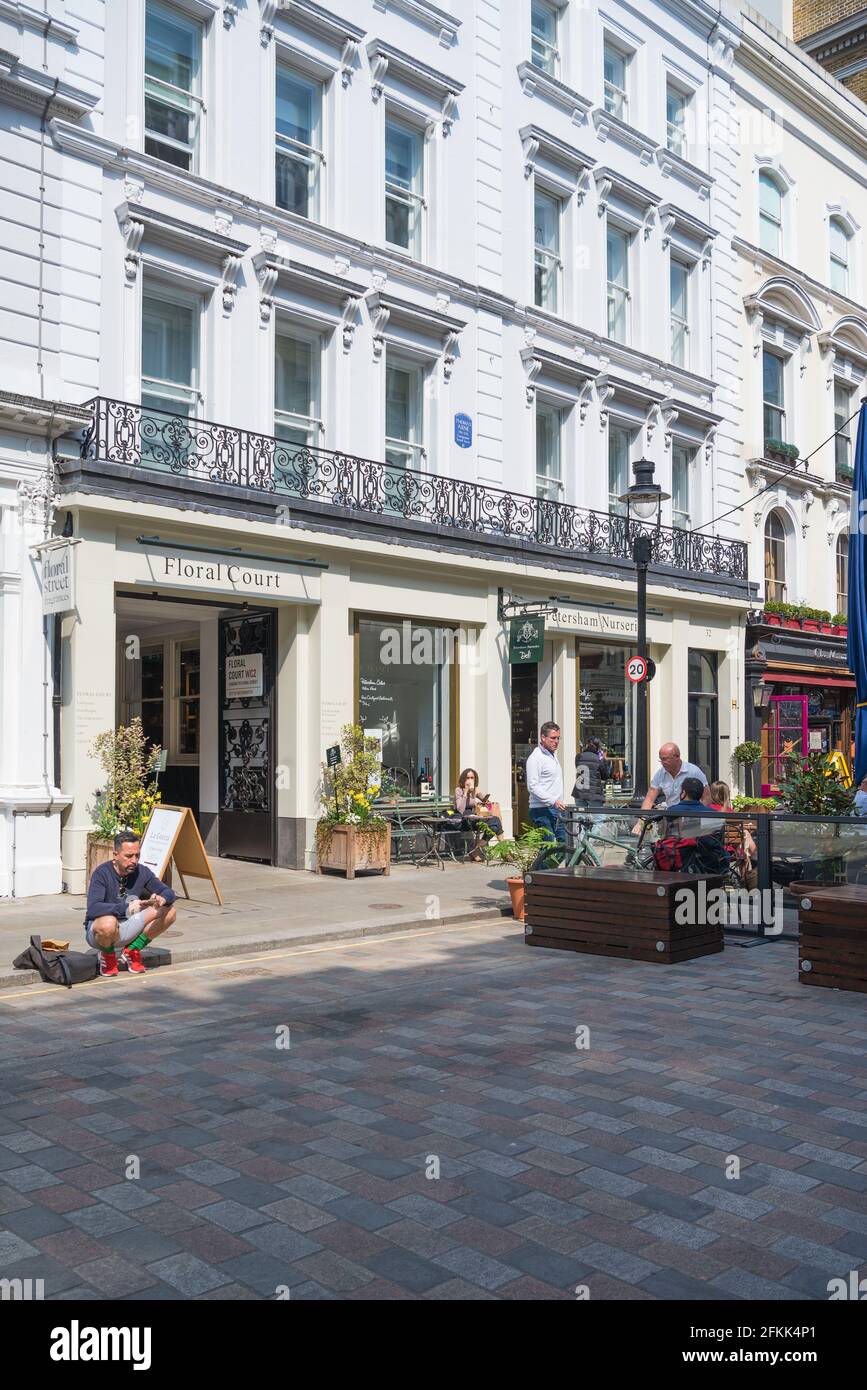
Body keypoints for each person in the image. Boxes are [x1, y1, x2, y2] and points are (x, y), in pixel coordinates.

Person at [85, 829, 177, 977]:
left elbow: (169, 892)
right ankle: (107, 955)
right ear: (115, 855)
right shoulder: (101, 874)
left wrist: (162, 899)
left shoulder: (142, 871)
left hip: (130, 925)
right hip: (101, 933)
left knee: (170, 911)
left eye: (137, 855)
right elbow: (93, 909)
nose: (134, 860)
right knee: (108, 922)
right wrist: (127, 907)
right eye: (129, 856)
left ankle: (132, 950)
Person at [704, 779, 757, 886]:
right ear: (726, 795)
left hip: (710, 849)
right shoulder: (729, 812)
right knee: (743, 838)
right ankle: (746, 874)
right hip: (729, 850)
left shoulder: (707, 810)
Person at [525, 722, 567, 842]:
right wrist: (554, 801)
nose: (556, 741)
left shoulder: (551, 756)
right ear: (543, 737)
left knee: (564, 844)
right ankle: (542, 862)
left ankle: (543, 861)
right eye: (553, 738)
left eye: (558, 738)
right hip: (541, 809)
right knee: (547, 847)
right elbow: (532, 786)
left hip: (557, 809)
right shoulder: (536, 758)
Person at [454, 768, 504, 844]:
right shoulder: (458, 790)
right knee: (496, 821)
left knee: (495, 824)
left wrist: (479, 794)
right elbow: (460, 809)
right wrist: (466, 792)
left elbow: (486, 803)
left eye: (472, 778)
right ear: (463, 779)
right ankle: (504, 850)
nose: (470, 780)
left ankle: (478, 848)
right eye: (467, 778)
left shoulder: (474, 790)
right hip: (464, 819)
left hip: (474, 817)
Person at [573, 739, 612, 808]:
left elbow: (578, 769)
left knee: (580, 817)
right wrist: (604, 759)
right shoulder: (598, 758)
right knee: (597, 817)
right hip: (594, 793)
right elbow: (605, 776)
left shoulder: (578, 756)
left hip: (580, 791)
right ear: (598, 748)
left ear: (586, 746)